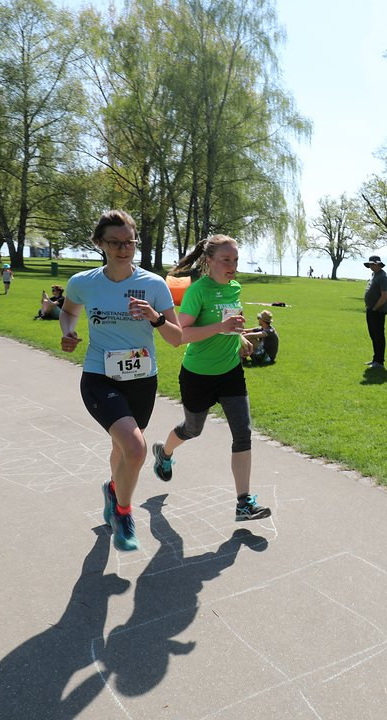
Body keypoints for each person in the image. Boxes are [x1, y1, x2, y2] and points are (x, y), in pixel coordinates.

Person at [60, 210, 182, 552]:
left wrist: (156, 318)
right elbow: (69, 311)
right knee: (136, 447)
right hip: (100, 377)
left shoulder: (154, 284)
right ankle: (124, 515)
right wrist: (68, 331)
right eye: (115, 242)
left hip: (142, 380)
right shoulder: (83, 283)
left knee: (122, 449)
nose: (124, 249)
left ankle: (114, 491)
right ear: (99, 244)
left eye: (129, 241)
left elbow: (176, 338)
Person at [150, 235, 271, 522]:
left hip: (230, 372)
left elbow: (231, 323)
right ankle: (164, 453)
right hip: (198, 375)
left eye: (236, 260)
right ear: (209, 261)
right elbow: (181, 336)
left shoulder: (234, 287)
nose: (232, 266)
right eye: (226, 260)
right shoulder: (197, 292)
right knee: (193, 429)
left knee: (243, 433)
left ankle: (244, 503)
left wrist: (239, 338)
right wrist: (221, 326)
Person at [363, 255, 387, 368]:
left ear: (378, 264)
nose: (370, 266)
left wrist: (375, 308)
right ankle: (375, 358)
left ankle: (379, 361)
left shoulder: (383, 277)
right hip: (371, 309)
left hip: (378, 311)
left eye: (372, 264)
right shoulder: (374, 275)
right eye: (370, 264)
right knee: (373, 335)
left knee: (378, 336)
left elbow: (384, 296)